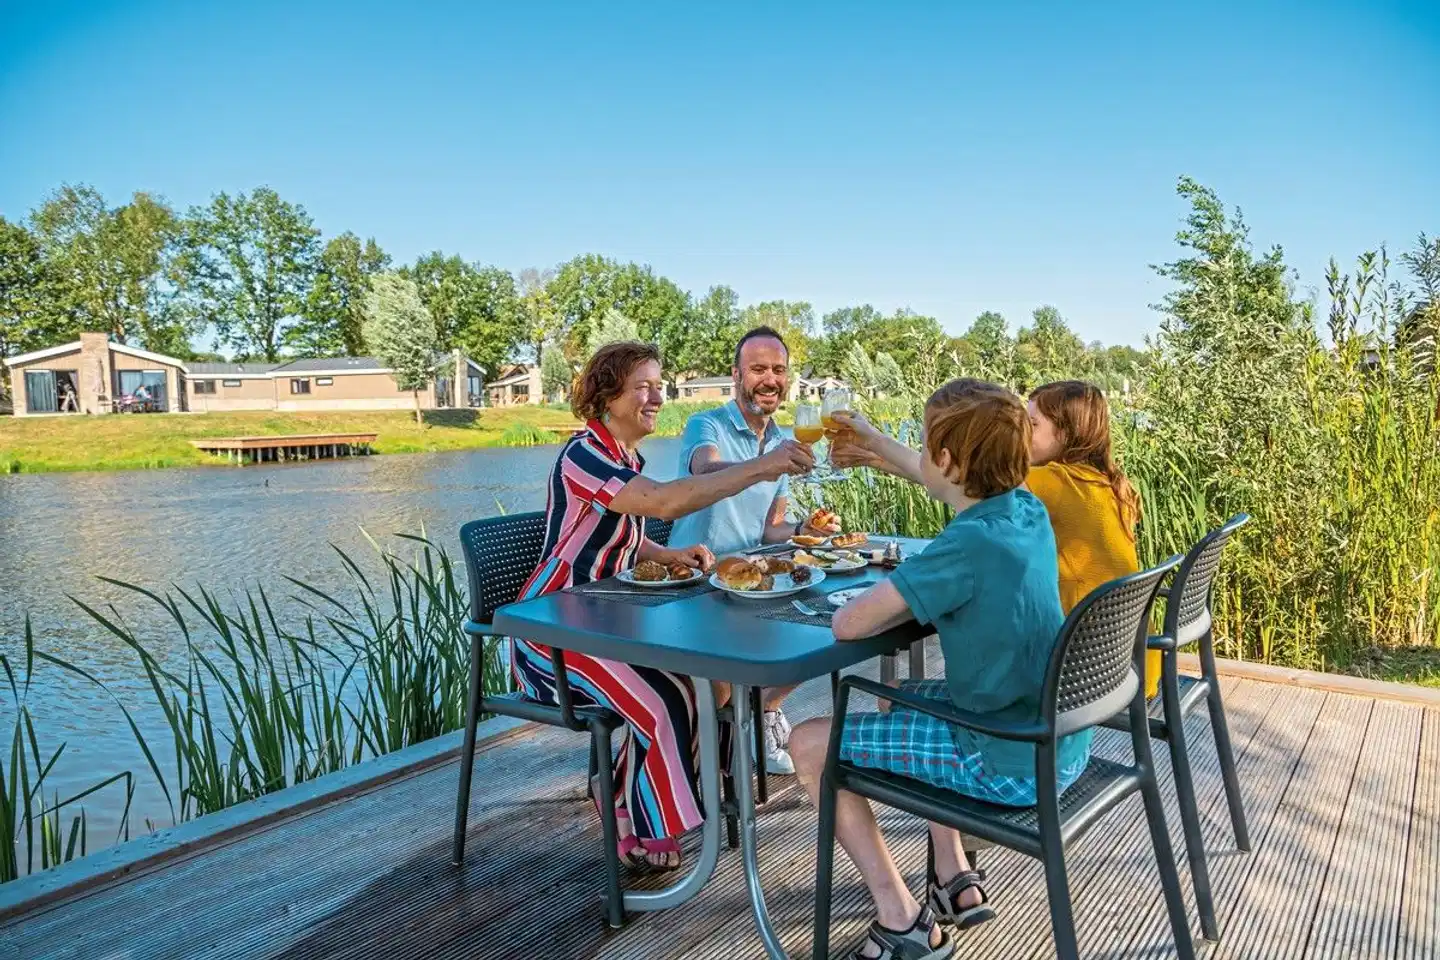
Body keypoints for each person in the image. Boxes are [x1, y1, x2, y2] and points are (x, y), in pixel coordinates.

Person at [789, 379, 1091, 960]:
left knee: (809, 743)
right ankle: (951, 874)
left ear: (948, 459)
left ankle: (901, 919)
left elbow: (848, 625)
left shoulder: (964, 547)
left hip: (1005, 761)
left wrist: (895, 591)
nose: (921, 454)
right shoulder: (1025, 509)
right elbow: (942, 483)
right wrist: (876, 441)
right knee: (895, 694)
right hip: (1057, 739)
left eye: (926, 443)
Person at [513, 341, 815, 872]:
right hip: (553, 631)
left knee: (702, 685)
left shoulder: (625, 457)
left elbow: (619, 533)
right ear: (608, 395)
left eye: (659, 385)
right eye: (643, 387)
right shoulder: (583, 454)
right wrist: (762, 467)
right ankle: (647, 820)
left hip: (609, 620)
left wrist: (666, 553)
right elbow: (663, 502)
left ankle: (621, 793)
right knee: (665, 699)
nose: (656, 397)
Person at [831, 380, 1152, 696]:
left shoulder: (1052, 485)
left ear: (1068, 433)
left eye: (1033, 424)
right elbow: (958, 476)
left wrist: (875, 442)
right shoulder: (1094, 486)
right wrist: (875, 455)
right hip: (1118, 667)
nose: (1021, 434)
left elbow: (961, 478)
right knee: (894, 695)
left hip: (1071, 676)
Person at [668, 325, 840, 775]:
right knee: (723, 684)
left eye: (778, 370)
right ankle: (715, 752)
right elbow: (704, 470)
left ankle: (761, 712)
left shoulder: (782, 440)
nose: (770, 379)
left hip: (753, 581)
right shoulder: (706, 424)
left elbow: (771, 527)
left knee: (825, 628)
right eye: (758, 369)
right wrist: (766, 464)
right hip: (697, 583)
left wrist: (803, 529)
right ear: (737, 375)